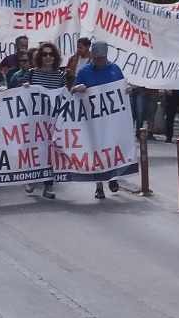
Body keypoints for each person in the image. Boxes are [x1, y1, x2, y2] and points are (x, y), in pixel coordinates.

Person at [73, 37, 124, 198]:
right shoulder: (84, 72)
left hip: (111, 120)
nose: (99, 61)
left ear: (106, 56)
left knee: (112, 149)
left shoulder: (115, 69)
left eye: (102, 58)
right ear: (92, 56)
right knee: (96, 152)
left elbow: (122, 88)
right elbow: (73, 91)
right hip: (92, 121)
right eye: (96, 58)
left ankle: (113, 177)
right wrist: (78, 88)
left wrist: (126, 90)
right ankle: (99, 185)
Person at [22, 40, 66, 199]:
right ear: (40, 56)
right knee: (35, 150)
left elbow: (64, 95)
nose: (48, 57)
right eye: (45, 54)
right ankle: (31, 178)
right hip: (35, 120)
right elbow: (23, 95)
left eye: (51, 54)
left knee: (50, 153)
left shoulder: (60, 75)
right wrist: (25, 88)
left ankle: (48, 186)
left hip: (53, 120)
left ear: (55, 57)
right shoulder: (32, 73)